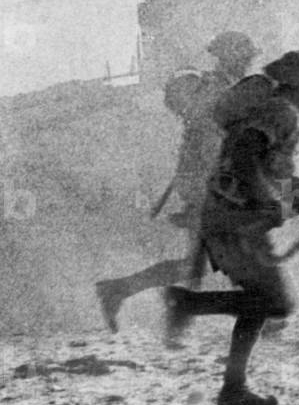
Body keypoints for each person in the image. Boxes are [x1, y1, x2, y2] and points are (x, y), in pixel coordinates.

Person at [163, 50, 299, 405]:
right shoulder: (280, 112)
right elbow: (244, 156)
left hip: (230, 219)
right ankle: (189, 307)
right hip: (237, 222)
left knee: (262, 303)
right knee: (273, 303)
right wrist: (264, 199)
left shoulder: (271, 112)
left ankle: (232, 390)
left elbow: (277, 180)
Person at [95, 32, 260, 332]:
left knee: (199, 261)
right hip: (206, 185)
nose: (248, 62)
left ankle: (117, 290)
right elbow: (213, 137)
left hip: (212, 184)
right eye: (244, 56)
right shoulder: (215, 89)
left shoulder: (227, 89)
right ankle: (261, 310)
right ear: (230, 57)